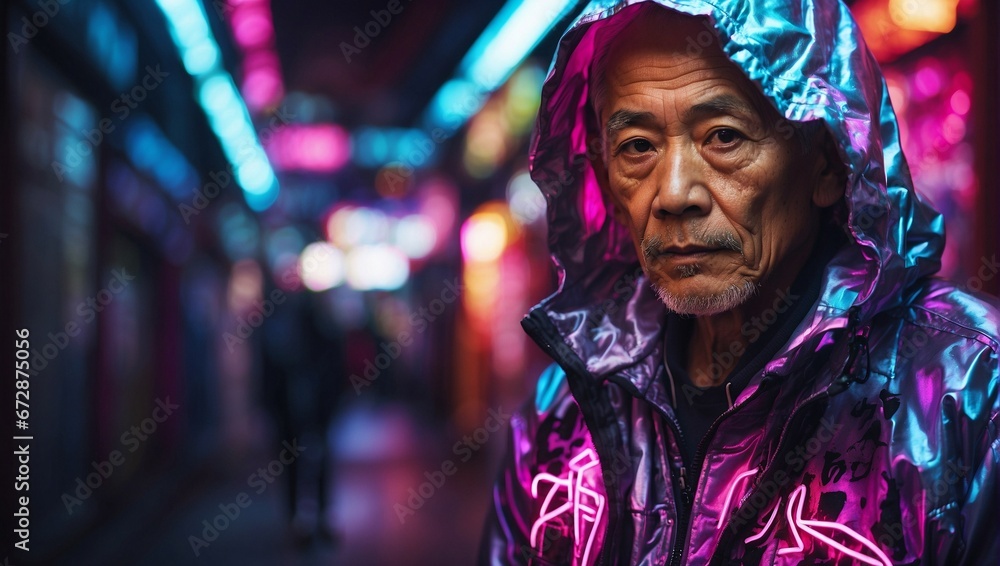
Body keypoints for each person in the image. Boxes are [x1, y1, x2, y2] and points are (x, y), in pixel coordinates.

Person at [479, 1, 1000, 564]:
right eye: (637, 148)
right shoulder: (562, 410)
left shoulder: (970, 392)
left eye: (723, 137)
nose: (674, 194)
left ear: (829, 165)